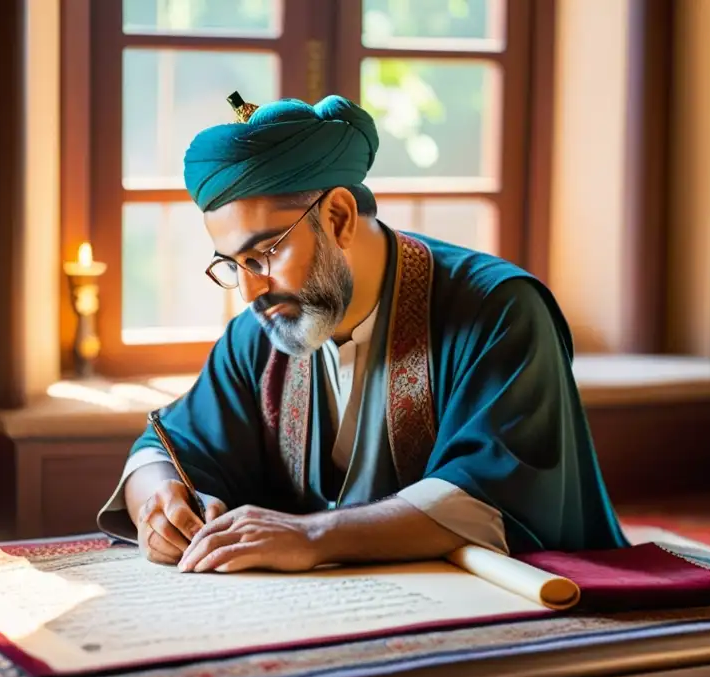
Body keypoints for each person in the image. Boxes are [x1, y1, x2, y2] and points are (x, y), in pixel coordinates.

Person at [97, 93, 628, 574]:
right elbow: (168, 447)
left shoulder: (499, 310)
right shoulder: (262, 333)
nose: (251, 290)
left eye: (265, 253)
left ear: (339, 216)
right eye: (233, 265)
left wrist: (314, 535)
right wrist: (159, 502)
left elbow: (494, 497)